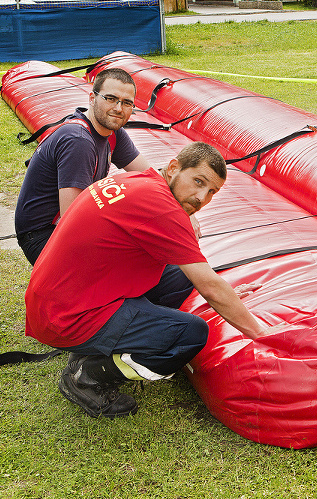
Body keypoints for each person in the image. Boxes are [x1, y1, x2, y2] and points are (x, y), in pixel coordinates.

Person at [25, 142, 272, 418]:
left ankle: (94, 348)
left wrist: (228, 295)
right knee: (190, 335)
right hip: (65, 320)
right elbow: (211, 288)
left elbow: (200, 277)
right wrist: (263, 335)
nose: (201, 198)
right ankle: (88, 376)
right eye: (198, 182)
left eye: (211, 192)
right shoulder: (163, 209)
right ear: (175, 167)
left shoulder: (137, 180)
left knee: (179, 276)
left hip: (54, 302)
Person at [14, 68, 152, 264]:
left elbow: (149, 176)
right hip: (44, 236)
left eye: (127, 102)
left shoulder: (113, 132)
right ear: (92, 98)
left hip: (68, 227)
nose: (119, 108)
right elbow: (73, 220)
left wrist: (181, 210)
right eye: (110, 98)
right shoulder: (78, 140)